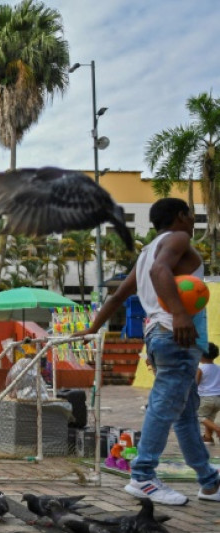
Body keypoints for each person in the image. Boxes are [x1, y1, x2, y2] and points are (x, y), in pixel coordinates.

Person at [77, 198, 218, 505]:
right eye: (191, 215)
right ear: (180, 216)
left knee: (184, 415)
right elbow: (159, 270)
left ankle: (209, 482)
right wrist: (179, 314)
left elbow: (118, 296)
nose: (193, 222)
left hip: (158, 335)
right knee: (164, 407)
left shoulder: (146, 252)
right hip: (176, 336)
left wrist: (92, 328)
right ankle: (142, 476)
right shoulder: (177, 238)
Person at [198, 343, 220, 444]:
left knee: (198, 416)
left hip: (205, 398)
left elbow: (195, 383)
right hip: (218, 398)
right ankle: (208, 437)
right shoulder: (218, 368)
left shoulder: (200, 368)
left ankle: (217, 429)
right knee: (210, 418)